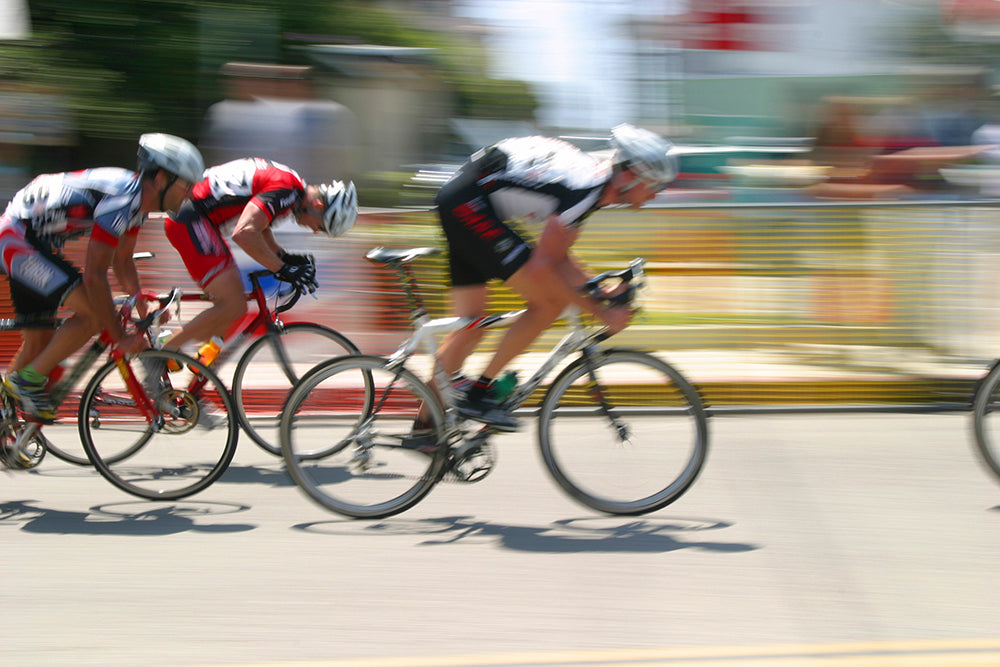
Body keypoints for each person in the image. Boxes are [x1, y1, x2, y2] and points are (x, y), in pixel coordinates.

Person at [429, 123, 678, 432]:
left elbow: (558, 257)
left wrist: (604, 293)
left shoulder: (593, 188)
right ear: (629, 176)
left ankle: (424, 429)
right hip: (469, 203)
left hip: (466, 199)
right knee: (549, 304)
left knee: (470, 327)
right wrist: (602, 312)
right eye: (654, 184)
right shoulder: (586, 189)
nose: (657, 194)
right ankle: (479, 393)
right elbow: (542, 268)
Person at [0, 133, 205, 423]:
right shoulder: (123, 198)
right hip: (17, 239)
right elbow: (95, 275)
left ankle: (6, 425)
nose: (189, 194)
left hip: (28, 240)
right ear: (161, 178)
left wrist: (142, 306)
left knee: (38, 344)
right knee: (93, 316)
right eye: (186, 185)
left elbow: (123, 262)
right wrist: (120, 338)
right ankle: (26, 382)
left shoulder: (138, 205)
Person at [157, 157, 357, 357]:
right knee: (233, 305)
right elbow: (244, 233)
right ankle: (162, 354)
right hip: (190, 216)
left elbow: (260, 226)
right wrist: (282, 268)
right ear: (319, 205)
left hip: (197, 215)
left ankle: (181, 356)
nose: (315, 231)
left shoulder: (292, 187)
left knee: (229, 313)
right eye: (321, 227)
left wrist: (283, 257)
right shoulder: (287, 191)